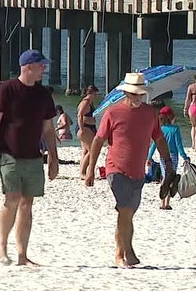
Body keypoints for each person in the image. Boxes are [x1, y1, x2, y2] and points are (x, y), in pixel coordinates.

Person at [0, 49, 58, 267]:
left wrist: (54, 159)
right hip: (8, 152)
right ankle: (2, 248)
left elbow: (48, 130)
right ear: (28, 67)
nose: (44, 69)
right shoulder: (6, 90)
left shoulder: (43, 95)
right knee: (12, 199)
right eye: (41, 65)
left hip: (33, 155)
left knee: (27, 204)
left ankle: (22, 255)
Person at [86, 72, 171, 268]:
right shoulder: (112, 113)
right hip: (116, 169)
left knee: (128, 214)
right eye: (133, 94)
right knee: (124, 210)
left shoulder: (151, 114)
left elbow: (159, 139)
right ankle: (121, 254)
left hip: (138, 172)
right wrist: (90, 168)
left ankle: (125, 250)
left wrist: (168, 163)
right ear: (126, 93)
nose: (137, 98)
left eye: (140, 94)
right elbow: (98, 140)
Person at [146, 106, 189, 210]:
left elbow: (154, 145)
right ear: (171, 117)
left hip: (162, 155)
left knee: (164, 177)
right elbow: (179, 146)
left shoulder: (160, 129)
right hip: (173, 156)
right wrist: (185, 157)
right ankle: (167, 203)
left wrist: (149, 157)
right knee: (170, 178)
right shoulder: (175, 129)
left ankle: (162, 203)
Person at [77, 85, 100, 179]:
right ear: (91, 93)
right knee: (92, 150)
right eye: (95, 94)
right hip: (85, 128)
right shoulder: (85, 102)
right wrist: (82, 128)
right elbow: (80, 115)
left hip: (87, 128)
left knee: (85, 151)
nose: (96, 96)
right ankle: (82, 173)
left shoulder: (89, 102)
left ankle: (82, 172)